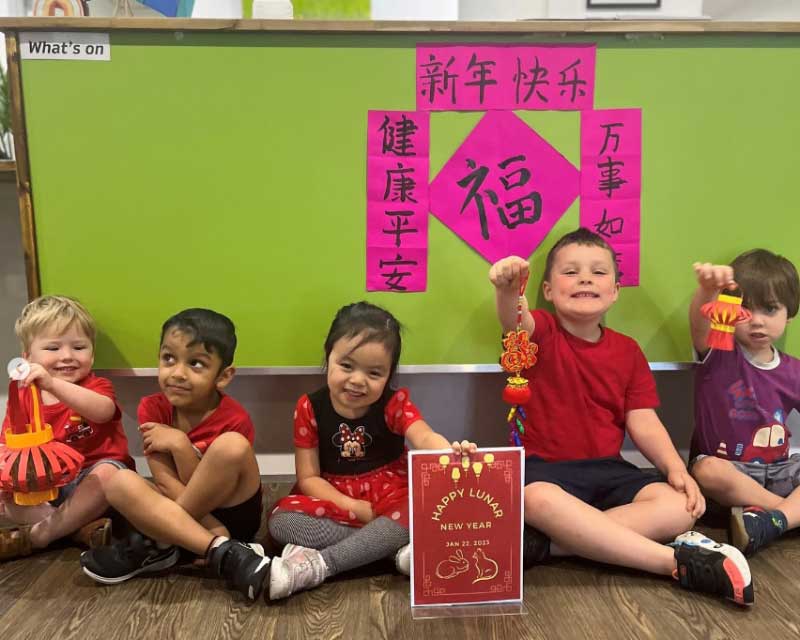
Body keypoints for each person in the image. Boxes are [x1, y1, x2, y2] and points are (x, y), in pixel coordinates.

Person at [489, 228, 753, 606]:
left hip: (610, 471)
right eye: (570, 272)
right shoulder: (542, 332)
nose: (584, 278)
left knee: (681, 507)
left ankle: (551, 546)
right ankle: (672, 562)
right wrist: (507, 289)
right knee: (537, 501)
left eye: (598, 272)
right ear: (547, 290)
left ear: (614, 291)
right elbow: (515, 320)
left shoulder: (628, 351)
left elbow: (642, 420)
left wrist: (674, 467)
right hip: (545, 472)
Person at [266, 301, 476, 600]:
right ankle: (392, 552)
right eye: (346, 366)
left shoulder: (394, 404)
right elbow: (309, 477)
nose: (357, 381)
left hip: (393, 496)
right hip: (335, 497)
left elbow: (425, 436)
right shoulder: (309, 407)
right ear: (329, 357)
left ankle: (324, 564)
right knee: (281, 522)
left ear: (389, 375)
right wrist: (349, 505)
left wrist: (450, 452)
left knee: (425, 507)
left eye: (374, 373)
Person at [80, 308, 266, 595]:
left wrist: (179, 444)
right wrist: (211, 534)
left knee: (232, 445)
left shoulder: (235, 419)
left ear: (224, 376)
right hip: (196, 517)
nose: (177, 373)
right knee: (118, 482)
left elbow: (204, 487)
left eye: (196, 364)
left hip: (230, 512)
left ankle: (159, 541)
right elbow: (164, 480)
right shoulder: (151, 408)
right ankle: (221, 550)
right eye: (169, 358)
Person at [0, 295, 133, 559]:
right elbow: (8, 442)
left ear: (92, 355)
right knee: (7, 495)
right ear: (27, 357)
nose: (67, 356)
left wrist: (51, 383)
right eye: (53, 348)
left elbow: (103, 411)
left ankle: (39, 536)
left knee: (110, 474)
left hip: (92, 484)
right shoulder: (22, 393)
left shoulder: (96, 386)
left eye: (79, 347)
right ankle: (77, 531)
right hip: (47, 485)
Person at [689, 250, 800, 557]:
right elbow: (700, 323)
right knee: (707, 468)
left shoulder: (793, 370)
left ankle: (768, 520)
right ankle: (783, 516)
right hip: (729, 473)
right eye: (745, 309)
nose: (757, 321)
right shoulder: (720, 352)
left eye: (770, 309)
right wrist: (708, 290)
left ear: (789, 313)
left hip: (779, 470)